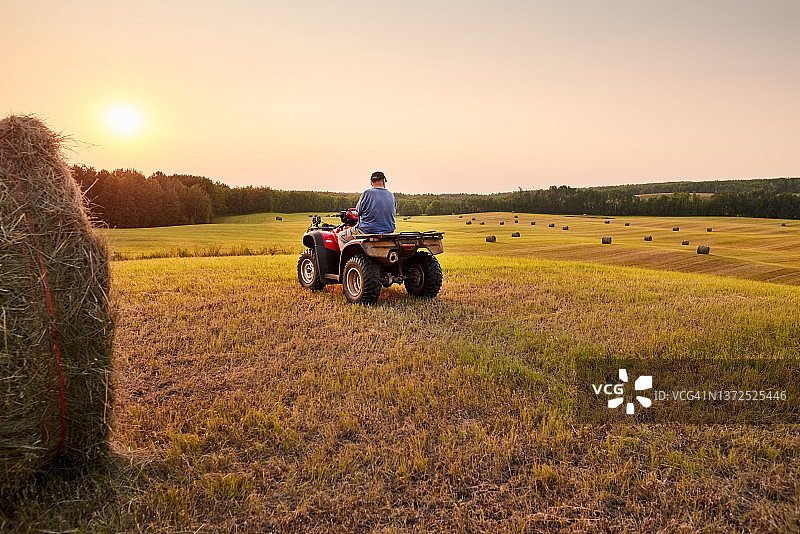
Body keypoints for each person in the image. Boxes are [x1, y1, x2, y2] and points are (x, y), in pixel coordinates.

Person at [338, 171, 396, 250]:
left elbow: (357, 213)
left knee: (341, 236)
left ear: (371, 182)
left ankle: (346, 260)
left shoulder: (367, 193)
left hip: (368, 230)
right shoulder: (391, 195)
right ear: (383, 181)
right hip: (388, 231)